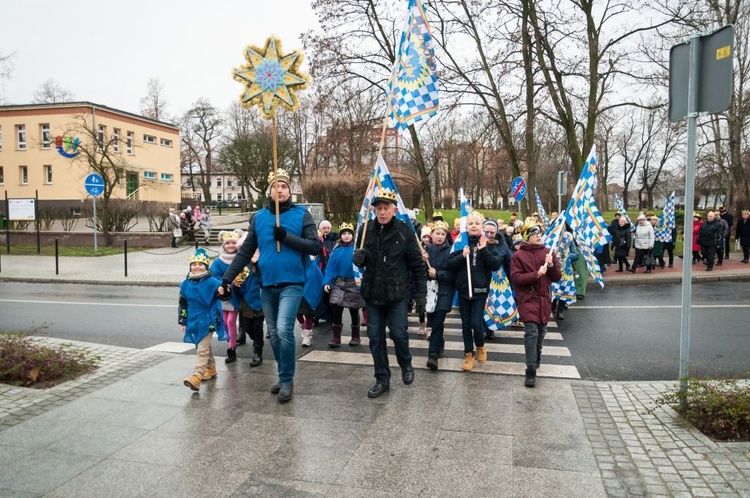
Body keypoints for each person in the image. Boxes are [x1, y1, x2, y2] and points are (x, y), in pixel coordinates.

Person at [220, 169, 321, 403]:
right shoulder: (259, 217)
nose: (280, 190)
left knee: (285, 329)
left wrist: (285, 236)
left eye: (284, 186)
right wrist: (227, 278)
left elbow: (315, 246)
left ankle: (287, 379)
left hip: (292, 282)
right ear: (270, 191)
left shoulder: (301, 215)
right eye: (276, 186)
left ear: (289, 190)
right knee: (273, 333)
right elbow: (245, 251)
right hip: (266, 283)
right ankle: (283, 374)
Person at [352, 188, 427, 399]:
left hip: (397, 293)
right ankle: (382, 379)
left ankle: (406, 363)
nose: (382, 212)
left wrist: (420, 294)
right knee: (375, 338)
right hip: (373, 293)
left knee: (399, 333)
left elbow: (417, 266)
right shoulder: (366, 229)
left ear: (394, 210)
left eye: (386, 208)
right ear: (374, 209)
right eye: (379, 208)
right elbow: (361, 257)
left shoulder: (405, 232)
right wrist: (358, 258)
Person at [446, 211, 501, 372]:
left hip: (480, 290)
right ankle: (468, 355)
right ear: (467, 226)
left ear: (482, 226)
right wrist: (462, 256)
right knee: (465, 325)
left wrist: (483, 250)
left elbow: (495, 265)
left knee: (476, 324)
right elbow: (450, 264)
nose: (474, 226)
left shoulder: (488, 242)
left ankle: (481, 346)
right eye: (471, 224)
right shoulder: (460, 242)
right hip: (463, 290)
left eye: (477, 223)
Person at [510, 220, 561, 388]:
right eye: (534, 233)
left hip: (544, 298)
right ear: (526, 236)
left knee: (541, 333)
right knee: (531, 332)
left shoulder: (548, 252)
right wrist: (536, 274)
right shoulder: (518, 256)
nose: (538, 235)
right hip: (528, 299)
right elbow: (516, 278)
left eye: (539, 233)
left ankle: (537, 355)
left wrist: (552, 264)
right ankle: (530, 369)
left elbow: (556, 277)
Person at [179, 248, 228, 391]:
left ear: (206, 266)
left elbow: (224, 296)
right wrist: (183, 320)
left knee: (202, 348)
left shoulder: (212, 282)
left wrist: (224, 290)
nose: (197, 266)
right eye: (193, 264)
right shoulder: (185, 284)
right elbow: (182, 303)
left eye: (200, 264)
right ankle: (211, 368)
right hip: (193, 318)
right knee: (203, 346)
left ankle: (197, 376)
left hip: (209, 318)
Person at [323, 222, 365, 347]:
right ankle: (336, 337)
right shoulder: (337, 250)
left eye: (349, 234)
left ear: (353, 236)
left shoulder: (357, 250)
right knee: (336, 307)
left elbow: (363, 267)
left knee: (353, 309)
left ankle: (355, 336)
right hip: (339, 282)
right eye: (344, 234)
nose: (346, 236)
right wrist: (327, 282)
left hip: (353, 282)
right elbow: (330, 267)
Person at [209, 230, 243, 364]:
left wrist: (237, 282)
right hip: (223, 295)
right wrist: (222, 285)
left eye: (233, 243)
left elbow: (243, 274)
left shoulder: (240, 258)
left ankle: (232, 348)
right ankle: (231, 340)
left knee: (231, 321)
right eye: (227, 243)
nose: (230, 246)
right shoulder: (218, 261)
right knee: (224, 321)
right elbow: (214, 276)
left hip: (234, 295)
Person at [424, 221, 454, 370]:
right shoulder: (425, 250)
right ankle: (439, 343)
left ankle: (433, 355)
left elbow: (452, 274)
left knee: (438, 321)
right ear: (432, 235)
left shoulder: (451, 251)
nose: (440, 236)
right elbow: (419, 272)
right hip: (430, 291)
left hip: (444, 291)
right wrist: (422, 261)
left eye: (443, 234)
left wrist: (438, 274)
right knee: (433, 321)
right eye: (438, 233)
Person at [236, 242, 265, 367]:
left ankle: (258, 352)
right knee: (248, 327)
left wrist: (257, 265)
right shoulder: (244, 268)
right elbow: (237, 285)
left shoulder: (262, 266)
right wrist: (235, 285)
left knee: (258, 326)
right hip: (247, 302)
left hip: (261, 301)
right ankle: (257, 341)